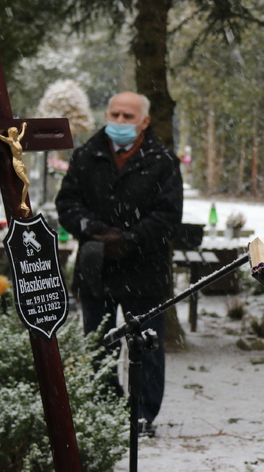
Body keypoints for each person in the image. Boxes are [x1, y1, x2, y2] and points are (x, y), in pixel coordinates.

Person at [55, 91, 183, 437]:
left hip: (145, 270)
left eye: (128, 117)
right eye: (115, 115)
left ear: (145, 121)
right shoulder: (86, 156)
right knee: (99, 344)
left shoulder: (163, 161)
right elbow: (67, 203)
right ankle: (105, 410)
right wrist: (94, 230)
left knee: (146, 347)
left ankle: (142, 416)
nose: (120, 122)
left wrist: (130, 240)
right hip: (97, 269)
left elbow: (168, 216)